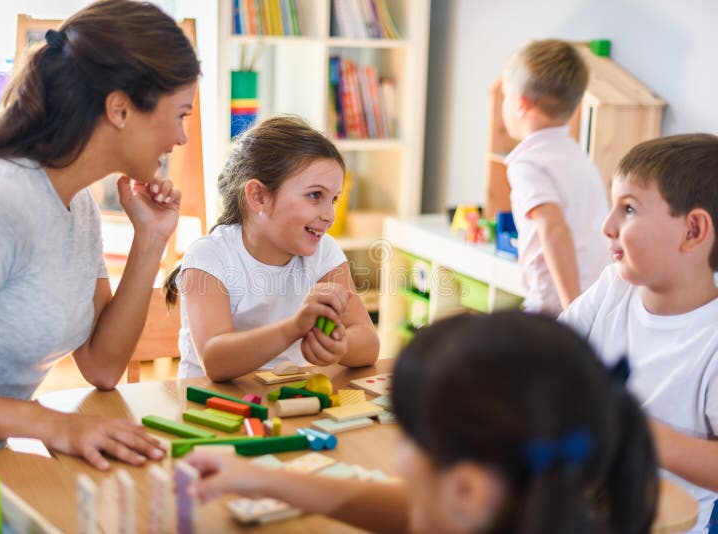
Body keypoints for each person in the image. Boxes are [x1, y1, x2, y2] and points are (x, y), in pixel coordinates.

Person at [0, 0, 200, 470]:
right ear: (120, 109)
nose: (182, 137)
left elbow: (102, 365)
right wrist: (49, 422)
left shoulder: (77, 204)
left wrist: (149, 239)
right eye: (180, 114)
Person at [185, 311, 658, 533]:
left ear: (467, 489)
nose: (399, 459)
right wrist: (263, 479)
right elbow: (408, 509)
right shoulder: (538, 511)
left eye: (408, 439)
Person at [560, 133, 718, 531]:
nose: (607, 226)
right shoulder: (614, 287)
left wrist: (635, 432)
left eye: (628, 209)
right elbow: (550, 358)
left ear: (693, 231)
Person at [164, 116, 379, 381]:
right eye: (315, 196)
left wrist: (339, 345)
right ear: (259, 196)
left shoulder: (324, 253)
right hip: (210, 407)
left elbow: (369, 343)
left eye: (333, 199)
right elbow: (215, 360)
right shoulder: (210, 256)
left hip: (285, 402)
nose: (329, 216)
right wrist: (294, 328)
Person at [501, 39, 610, 315]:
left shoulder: (527, 162)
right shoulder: (576, 155)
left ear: (521, 104)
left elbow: (553, 227)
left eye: (505, 96)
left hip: (555, 303)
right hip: (594, 293)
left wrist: (571, 306)